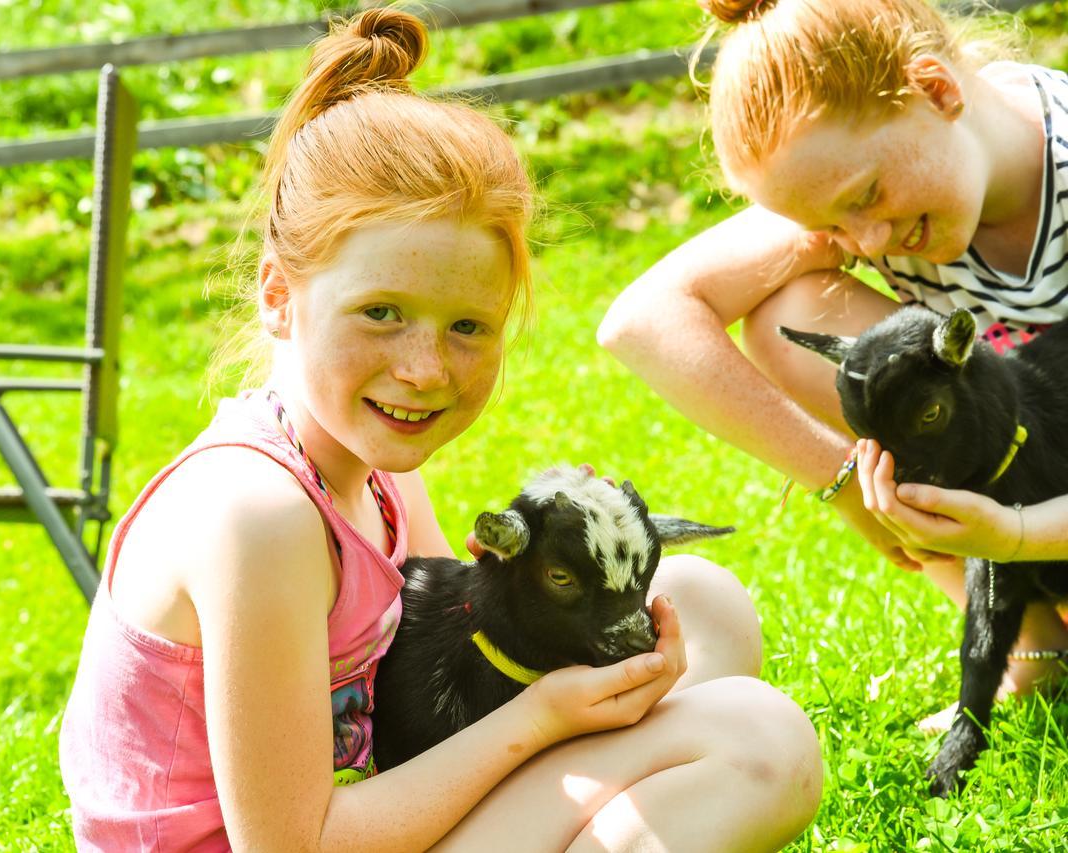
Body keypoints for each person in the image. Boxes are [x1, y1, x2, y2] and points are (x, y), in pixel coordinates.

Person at [59, 8, 821, 851]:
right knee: (760, 742)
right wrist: (541, 719)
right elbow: (290, 844)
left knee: (705, 602)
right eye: (381, 312)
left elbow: (449, 656)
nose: (425, 368)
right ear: (279, 294)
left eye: (468, 326)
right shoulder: (257, 515)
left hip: (383, 809)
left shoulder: (374, 466)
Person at [598, 0, 1068, 712]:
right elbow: (640, 321)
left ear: (937, 90)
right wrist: (847, 482)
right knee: (790, 316)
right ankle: (1032, 641)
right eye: (831, 225)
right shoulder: (877, 191)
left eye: (866, 197)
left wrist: (1021, 532)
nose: (870, 242)